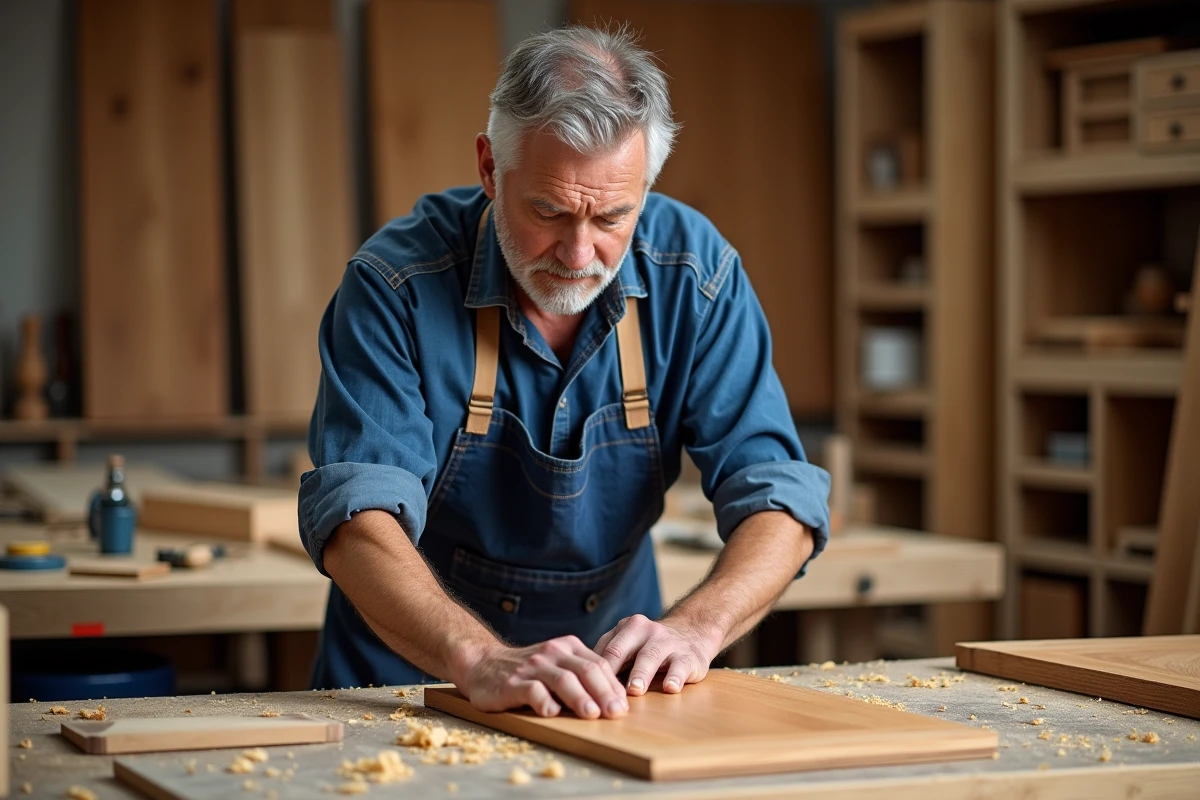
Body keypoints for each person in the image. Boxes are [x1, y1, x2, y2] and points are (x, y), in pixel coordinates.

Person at [299, 25, 830, 720]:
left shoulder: (695, 277)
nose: (579, 253)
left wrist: (698, 628)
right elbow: (356, 514)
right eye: (548, 211)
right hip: (403, 685)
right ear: (490, 168)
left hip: (612, 690)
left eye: (613, 216)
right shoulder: (395, 284)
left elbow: (780, 497)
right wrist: (478, 657)